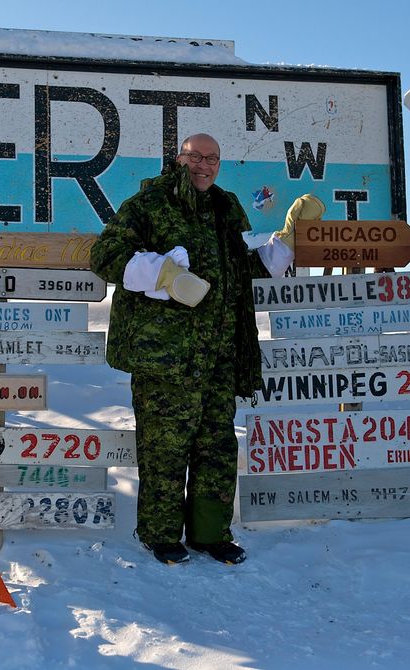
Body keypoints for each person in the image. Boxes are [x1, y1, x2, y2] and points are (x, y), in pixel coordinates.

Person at [90, 133, 324, 565]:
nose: (203, 165)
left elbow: (239, 270)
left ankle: (210, 535)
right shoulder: (150, 203)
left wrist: (286, 240)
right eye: (195, 156)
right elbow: (105, 255)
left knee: (216, 448)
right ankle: (160, 535)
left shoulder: (222, 208)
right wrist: (160, 274)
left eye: (212, 158)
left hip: (219, 355)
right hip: (166, 358)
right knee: (165, 448)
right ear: (179, 158)